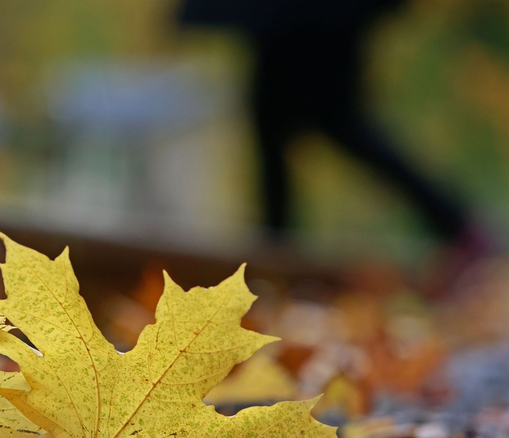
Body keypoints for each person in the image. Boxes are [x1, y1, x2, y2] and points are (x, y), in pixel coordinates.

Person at [178, 0, 487, 253]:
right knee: (276, 128)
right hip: (288, 19)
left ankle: (458, 226)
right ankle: (275, 251)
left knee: (338, 123)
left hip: (321, 18)